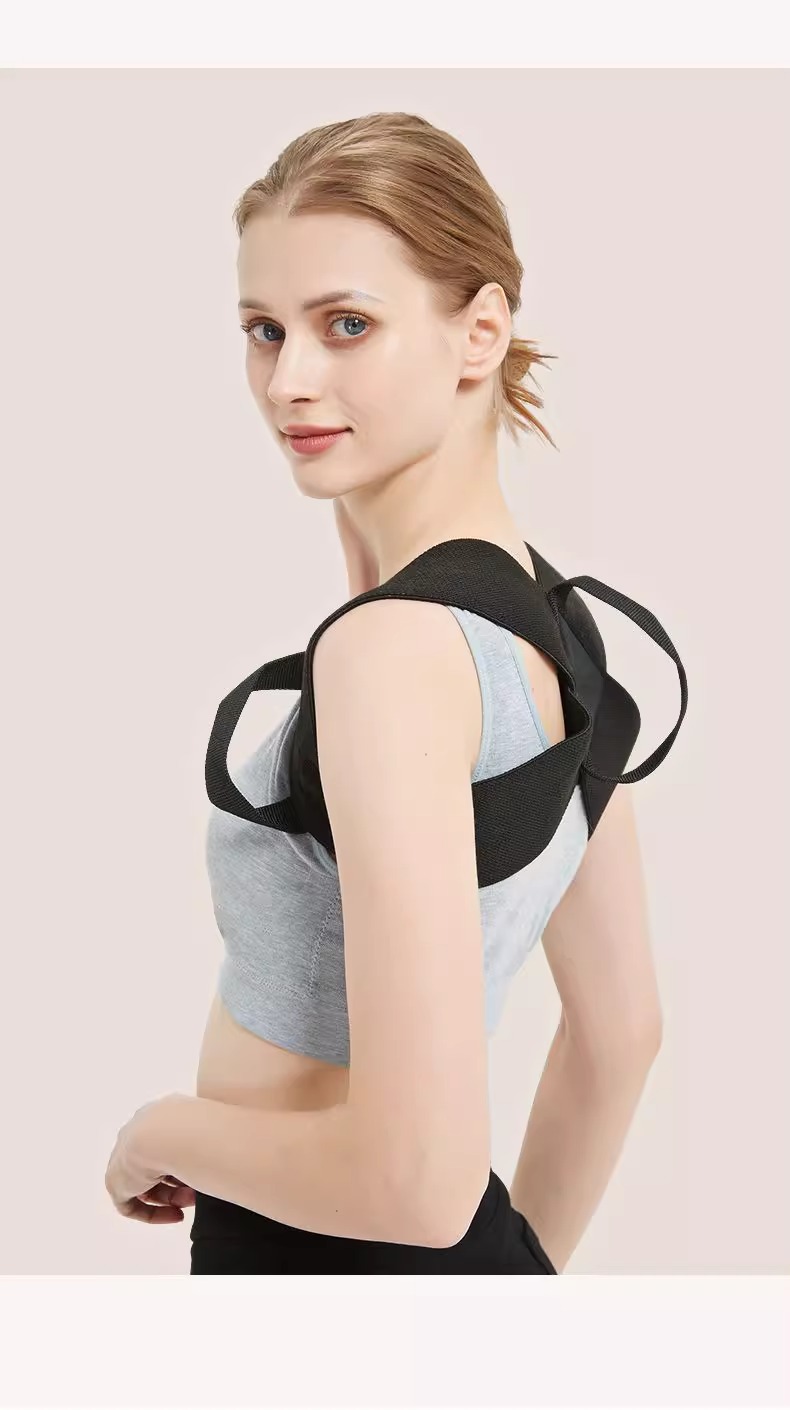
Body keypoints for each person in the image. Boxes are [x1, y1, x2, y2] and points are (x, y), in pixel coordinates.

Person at [189, 111, 663, 1275]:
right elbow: (620, 1036)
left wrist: (161, 1136)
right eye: (264, 330)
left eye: (346, 324)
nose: (289, 380)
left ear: (478, 333)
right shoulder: (555, 623)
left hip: (311, 1270)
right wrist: (505, 1294)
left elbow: (414, 1184)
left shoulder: (391, 655)